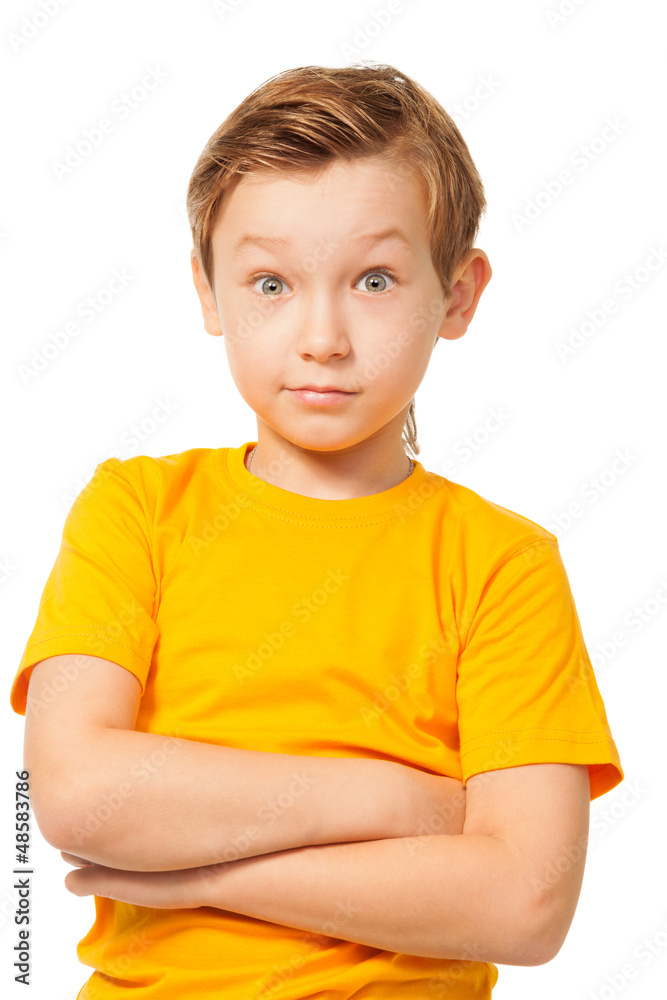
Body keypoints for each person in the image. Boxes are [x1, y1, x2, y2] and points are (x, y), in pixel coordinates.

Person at [10, 62, 623, 999]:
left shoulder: (502, 564)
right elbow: (79, 793)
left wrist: (204, 875)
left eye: (374, 278)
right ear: (208, 293)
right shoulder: (137, 510)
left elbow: (525, 904)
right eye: (269, 283)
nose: (322, 336)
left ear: (457, 294)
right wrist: (394, 802)